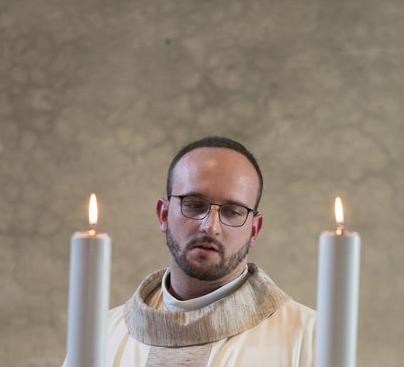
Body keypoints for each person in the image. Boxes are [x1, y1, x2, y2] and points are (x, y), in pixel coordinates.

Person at [107, 136, 316, 366]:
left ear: (254, 230)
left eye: (232, 211)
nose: (210, 226)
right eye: (194, 205)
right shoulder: (104, 334)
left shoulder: (311, 338)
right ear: (163, 215)